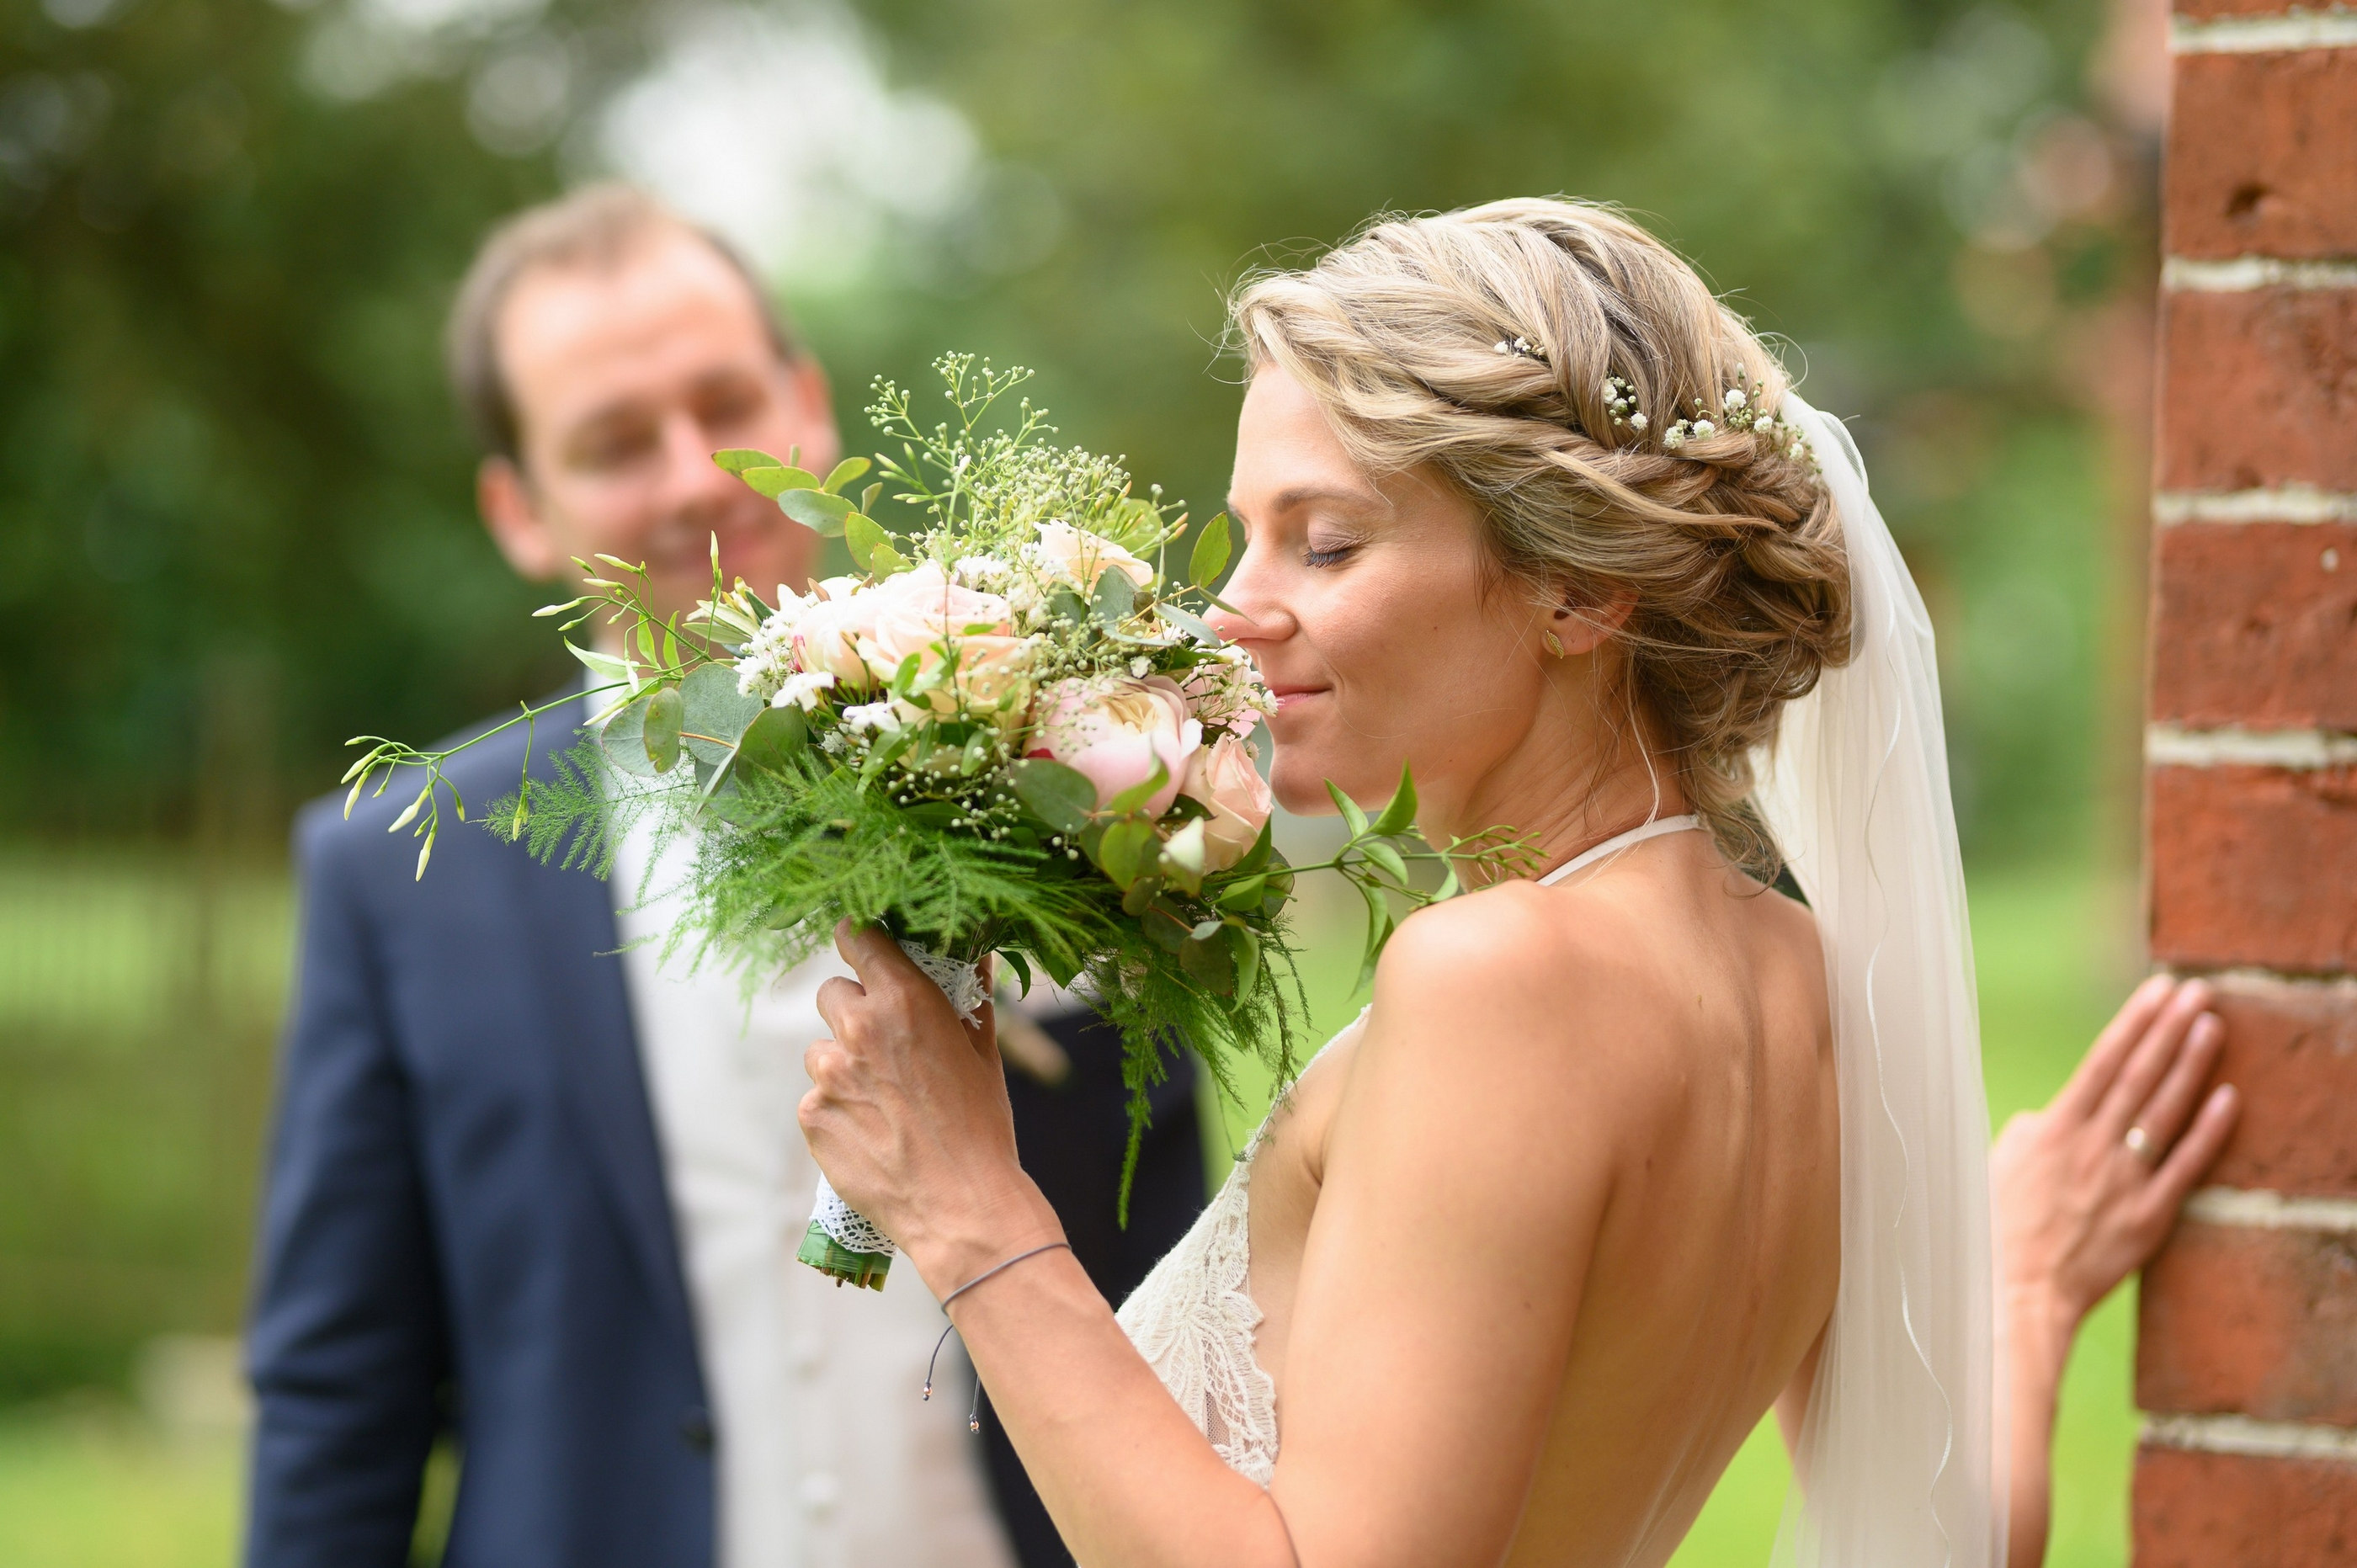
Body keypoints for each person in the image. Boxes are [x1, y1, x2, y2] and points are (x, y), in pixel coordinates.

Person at [789, 199, 2239, 1568]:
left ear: (1581, 589)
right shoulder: (1799, 978)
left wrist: (973, 1211)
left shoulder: (1500, 981)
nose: (1234, 610)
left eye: (1329, 540)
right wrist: (2027, 1294)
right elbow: (1958, 1538)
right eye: (1246, 535)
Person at [242, 183, 1201, 1568]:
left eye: (726, 404)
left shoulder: (1066, 764)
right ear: (520, 509)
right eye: (617, 441)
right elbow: (339, 1393)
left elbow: (1177, 1278)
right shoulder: (398, 870)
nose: (696, 475)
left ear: (806, 405)